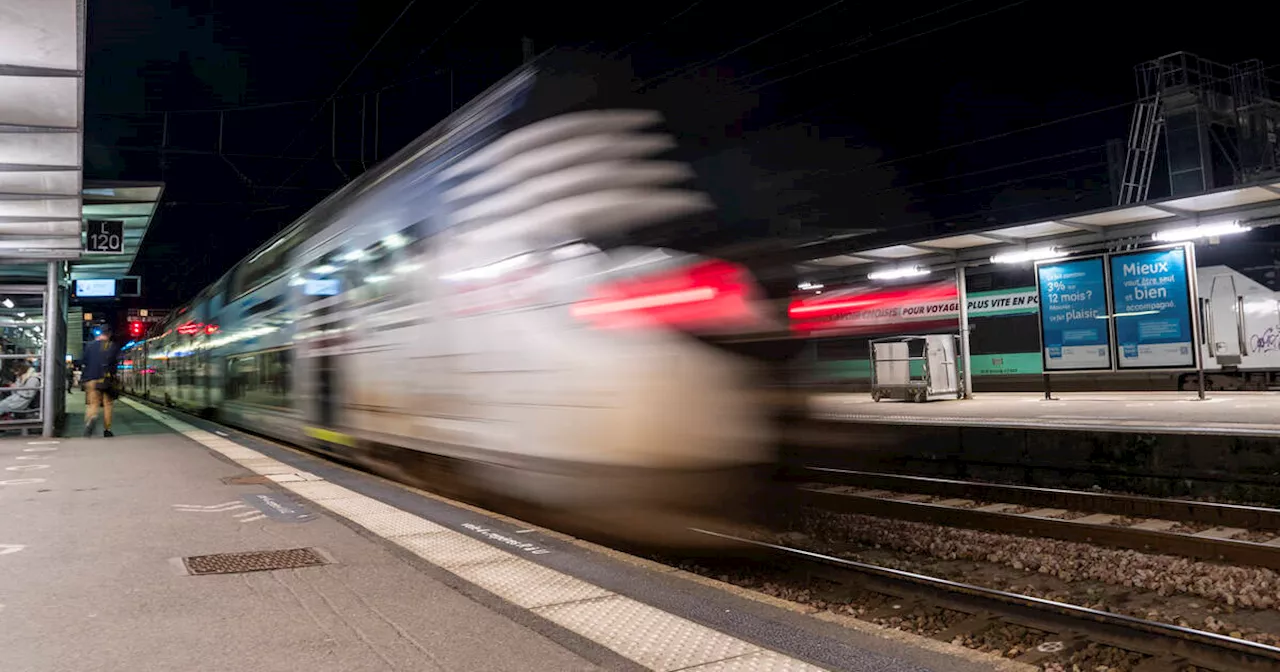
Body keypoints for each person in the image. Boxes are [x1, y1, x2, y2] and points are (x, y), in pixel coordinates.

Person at [81, 326, 119, 437]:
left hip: (90, 378)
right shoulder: (112, 346)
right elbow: (113, 364)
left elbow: (84, 361)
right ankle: (107, 429)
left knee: (92, 404)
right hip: (106, 379)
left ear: (98, 335)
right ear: (109, 335)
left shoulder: (89, 346)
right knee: (108, 404)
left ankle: (91, 419)